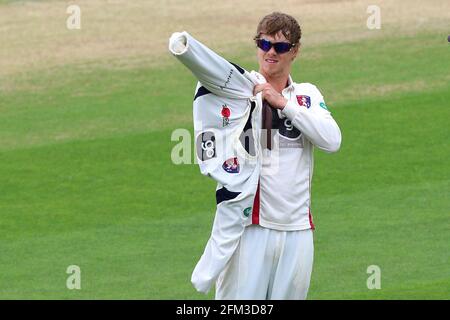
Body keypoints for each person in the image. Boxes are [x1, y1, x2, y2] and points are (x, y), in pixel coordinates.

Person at [214, 12, 342, 300]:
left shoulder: (306, 95)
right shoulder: (237, 91)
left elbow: (332, 141)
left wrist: (283, 104)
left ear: (294, 51)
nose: (271, 52)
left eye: (281, 47)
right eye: (264, 44)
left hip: (298, 228)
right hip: (250, 226)